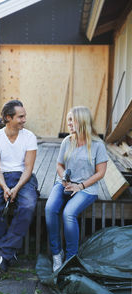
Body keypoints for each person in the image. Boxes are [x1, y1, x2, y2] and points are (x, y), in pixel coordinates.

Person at [45, 106, 108, 272]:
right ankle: (57, 254)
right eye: (68, 120)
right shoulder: (67, 141)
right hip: (65, 183)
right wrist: (64, 178)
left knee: (68, 213)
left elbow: (101, 172)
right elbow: (59, 164)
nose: (69, 123)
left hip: (86, 188)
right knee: (50, 208)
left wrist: (80, 186)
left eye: (72, 120)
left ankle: (71, 257)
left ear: (82, 121)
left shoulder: (97, 145)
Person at [0, 100, 38, 272]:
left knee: (28, 205)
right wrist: (6, 187)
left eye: (24, 116)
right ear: (8, 118)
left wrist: (16, 188)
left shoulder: (29, 137)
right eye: (20, 116)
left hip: (24, 178)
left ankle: (4, 251)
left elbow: (28, 168)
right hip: (1, 177)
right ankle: (6, 251)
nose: (24, 120)